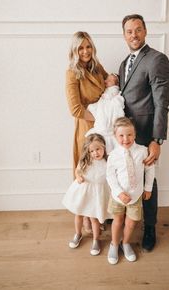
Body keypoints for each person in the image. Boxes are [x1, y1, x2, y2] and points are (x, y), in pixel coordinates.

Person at [118, 14, 169, 252]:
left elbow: (162, 103)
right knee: (124, 177)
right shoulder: (124, 63)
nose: (134, 35)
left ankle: (150, 227)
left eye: (138, 30)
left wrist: (156, 139)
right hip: (124, 136)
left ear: (146, 31)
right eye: (129, 31)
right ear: (124, 35)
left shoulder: (157, 59)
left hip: (146, 134)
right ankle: (124, 218)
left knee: (149, 181)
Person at [66, 31, 108, 232]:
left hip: (104, 127)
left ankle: (100, 212)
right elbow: (75, 109)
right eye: (81, 48)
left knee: (101, 170)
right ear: (75, 50)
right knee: (85, 171)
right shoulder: (72, 73)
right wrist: (99, 115)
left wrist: (114, 80)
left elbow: (109, 84)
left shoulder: (97, 67)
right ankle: (83, 217)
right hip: (87, 127)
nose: (85, 51)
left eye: (88, 46)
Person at [106, 117, 155, 265]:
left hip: (135, 196)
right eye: (121, 135)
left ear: (135, 134)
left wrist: (148, 188)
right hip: (118, 197)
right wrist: (119, 192)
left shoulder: (142, 151)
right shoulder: (113, 155)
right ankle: (114, 244)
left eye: (129, 134)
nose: (125, 139)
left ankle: (125, 243)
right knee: (118, 220)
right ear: (116, 136)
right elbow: (110, 175)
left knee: (131, 223)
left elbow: (150, 170)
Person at [62, 133, 110, 256]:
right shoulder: (86, 161)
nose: (95, 153)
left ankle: (96, 239)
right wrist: (78, 177)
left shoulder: (107, 162)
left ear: (104, 147)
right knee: (79, 214)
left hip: (97, 194)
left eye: (98, 149)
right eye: (92, 151)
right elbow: (77, 171)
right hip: (83, 192)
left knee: (94, 218)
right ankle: (78, 234)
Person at [85, 73, 125, 153]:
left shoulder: (114, 90)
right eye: (106, 79)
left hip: (107, 119)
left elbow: (112, 101)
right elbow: (102, 104)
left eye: (109, 80)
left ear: (116, 84)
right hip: (103, 110)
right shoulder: (106, 91)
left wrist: (106, 98)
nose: (105, 81)